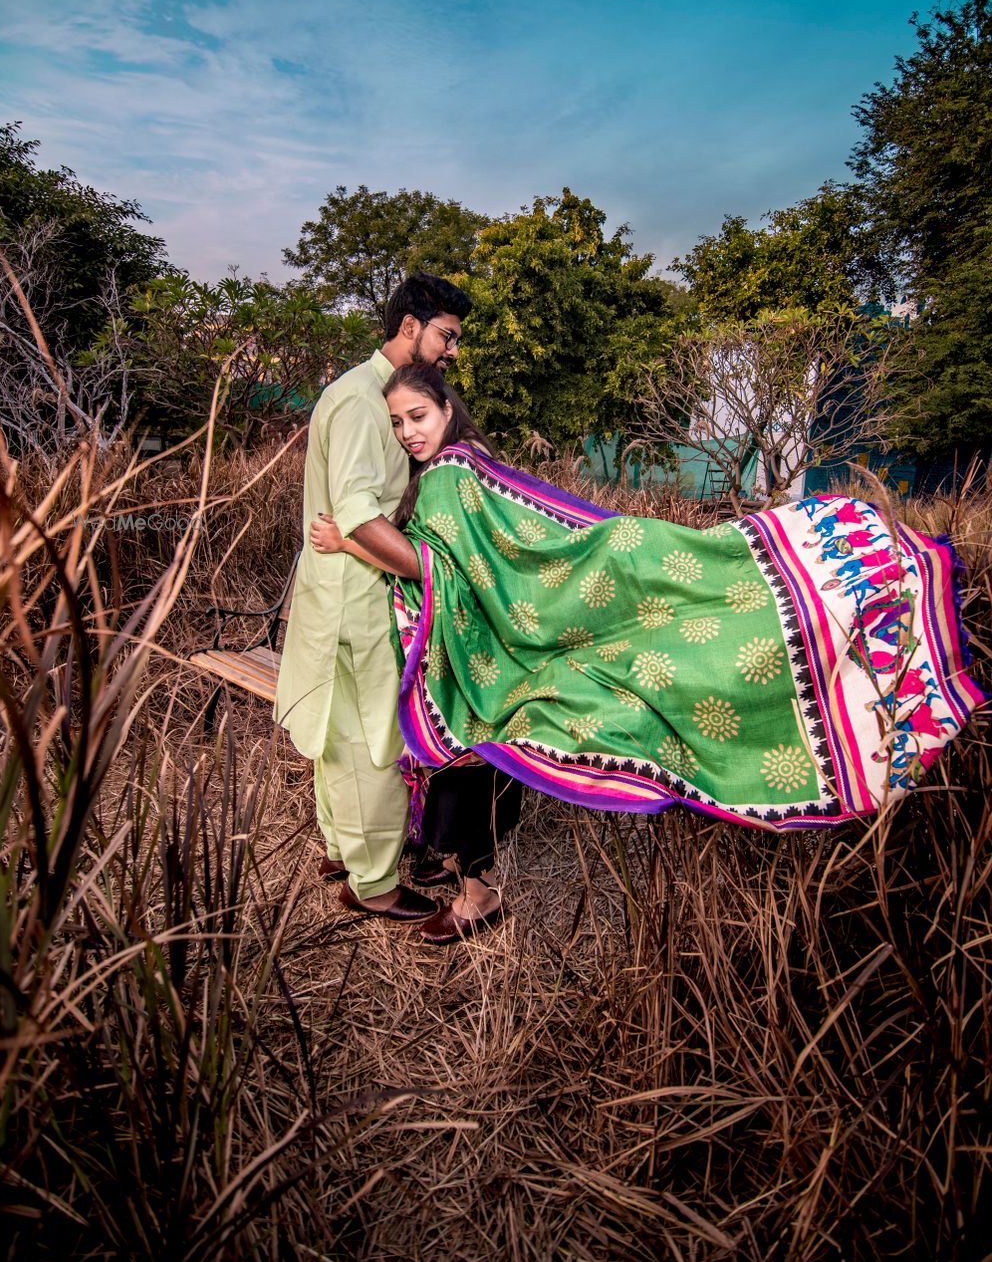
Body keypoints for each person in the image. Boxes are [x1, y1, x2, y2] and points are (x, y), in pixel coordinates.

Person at [312, 365, 986, 923]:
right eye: (398, 423)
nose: (409, 433)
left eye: (419, 416)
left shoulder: (454, 476)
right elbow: (464, 562)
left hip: (509, 645)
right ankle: (465, 883)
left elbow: (471, 565)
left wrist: (351, 540)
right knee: (508, 729)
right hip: (498, 646)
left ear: (447, 409)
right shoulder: (461, 470)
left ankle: (471, 890)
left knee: (523, 708)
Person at [274, 273, 472, 924]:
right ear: (410, 326)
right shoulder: (364, 401)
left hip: (338, 590)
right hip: (357, 596)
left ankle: (346, 852)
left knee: (340, 736)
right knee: (371, 742)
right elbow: (360, 518)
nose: (451, 350)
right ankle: (376, 884)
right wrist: (431, 569)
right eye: (447, 335)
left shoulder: (367, 392)